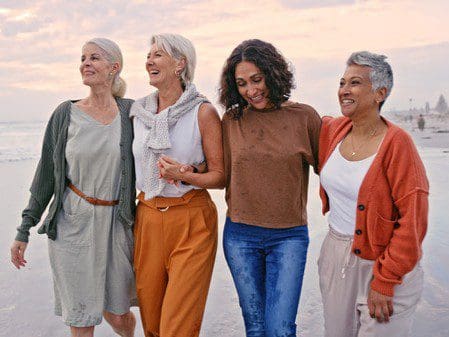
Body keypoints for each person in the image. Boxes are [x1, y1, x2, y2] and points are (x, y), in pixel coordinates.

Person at [10, 38, 137, 337]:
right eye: (82, 58)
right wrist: (24, 228)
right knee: (81, 318)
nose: (85, 63)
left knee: (118, 315)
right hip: (72, 224)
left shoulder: (132, 113)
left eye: (94, 58)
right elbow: (45, 177)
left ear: (114, 67)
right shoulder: (65, 114)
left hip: (117, 226)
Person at [318, 51, 428, 337]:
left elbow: (413, 221)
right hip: (336, 257)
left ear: (380, 92)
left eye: (354, 83)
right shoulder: (334, 130)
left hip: (383, 261)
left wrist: (386, 280)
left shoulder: (397, 144)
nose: (344, 90)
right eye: (342, 83)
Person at [219, 39, 321, 336]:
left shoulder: (304, 117)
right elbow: (219, 171)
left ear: (273, 74)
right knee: (256, 328)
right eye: (241, 83)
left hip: (288, 236)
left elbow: (331, 172)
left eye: (256, 79)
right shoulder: (232, 120)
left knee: (280, 328)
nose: (250, 90)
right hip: (240, 236)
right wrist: (186, 172)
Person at [130, 33, 224, 337]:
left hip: (191, 220)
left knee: (178, 326)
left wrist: (184, 175)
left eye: (158, 55)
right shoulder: (137, 113)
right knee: (153, 325)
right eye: (149, 55)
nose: (149, 61)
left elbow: (220, 176)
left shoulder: (203, 112)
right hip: (146, 217)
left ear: (180, 63)